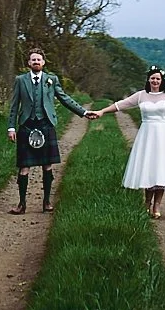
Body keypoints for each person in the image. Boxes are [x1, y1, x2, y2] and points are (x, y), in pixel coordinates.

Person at [91, 66, 165, 218]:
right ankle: (147, 202)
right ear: (148, 80)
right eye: (152, 78)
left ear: (162, 80)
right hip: (148, 135)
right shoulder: (141, 95)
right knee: (149, 168)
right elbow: (121, 104)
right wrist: (102, 111)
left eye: (158, 78)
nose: (155, 81)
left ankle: (157, 205)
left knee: (161, 170)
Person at [7, 48, 98, 213]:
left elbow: (64, 98)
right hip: (26, 125)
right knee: (24, 166)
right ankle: (21, 204)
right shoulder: (21, 80)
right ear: (28, 63)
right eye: (33, 60)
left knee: (47, 165)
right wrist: (11, 127)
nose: (36, 62)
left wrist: (83, 112)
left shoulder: (51, 79)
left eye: (39, 60)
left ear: (43, 62)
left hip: (46, 124)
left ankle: (47, 202)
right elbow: (14, 106)